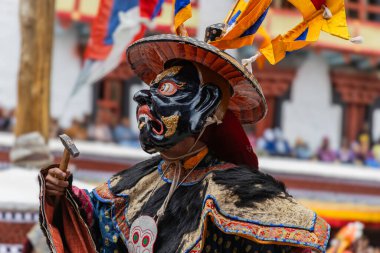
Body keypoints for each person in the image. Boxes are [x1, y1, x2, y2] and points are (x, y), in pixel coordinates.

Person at [39, 32, 329, 252]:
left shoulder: (238, 193)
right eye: (151, 88)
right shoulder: (137, 182)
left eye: (166, 90)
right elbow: (92, 219)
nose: (143, 98)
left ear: (206, 104)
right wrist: (59, 193)